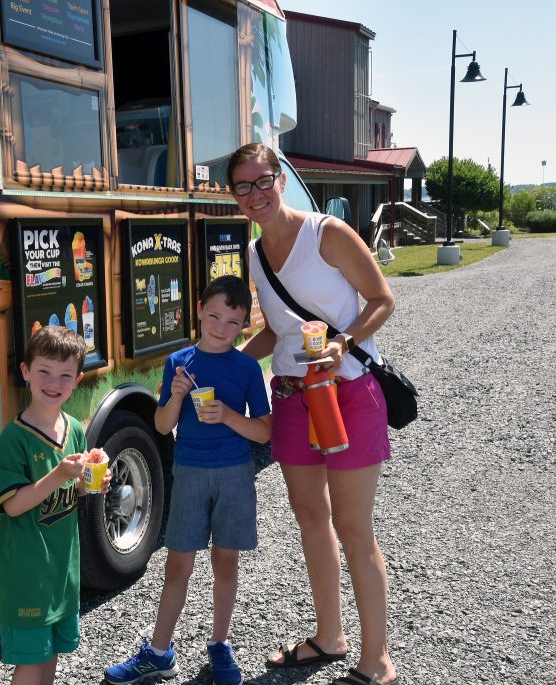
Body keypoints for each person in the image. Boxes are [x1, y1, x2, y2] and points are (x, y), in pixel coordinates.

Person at [229, 143, 398, 685]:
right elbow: (278, 330)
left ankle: (378, 662)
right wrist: (221, 361)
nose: (255, 194)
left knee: (353, 527)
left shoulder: (325, 233)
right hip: (292, 397)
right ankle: (330, 636)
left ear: (281, 180)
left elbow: (382, 299)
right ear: (232, 195)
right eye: (242, 186)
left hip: (347, 391)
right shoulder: (254, 255)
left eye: (263, 181)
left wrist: (343, 343)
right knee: (309, 517)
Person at [104, 275, 271, 685]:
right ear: (198, 310)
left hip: (234, 475)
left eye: (233, 322)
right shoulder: (179, 362)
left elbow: (265, 431)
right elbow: (162, 425)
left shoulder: (247, 368)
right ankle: (160, 652)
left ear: (245, 324)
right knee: (178, 565)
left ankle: (220, 645)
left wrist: (228, 417)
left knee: (225, 561)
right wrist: (176, 396)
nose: (221, 327)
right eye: (213, 315)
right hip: (191, 474)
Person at [0, 326, 107, 685]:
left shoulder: (73, 428)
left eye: (65, 375)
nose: (53, 382)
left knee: (52, 654)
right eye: (44, 371)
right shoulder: (14, 440)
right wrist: (58, 474)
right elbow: (12, 506)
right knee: (30, 662)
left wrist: (93, 480)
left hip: (61, 572)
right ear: (26, 371)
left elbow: (73, 493)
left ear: (77, 380)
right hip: (27, 575)